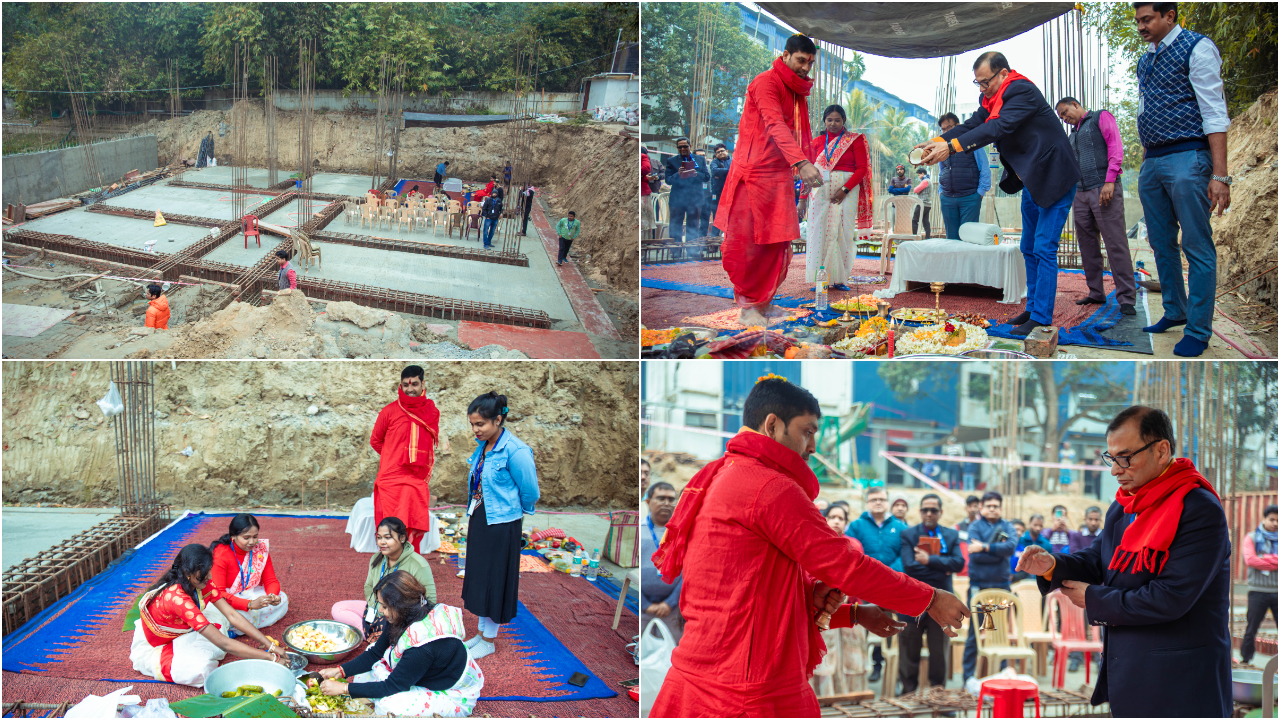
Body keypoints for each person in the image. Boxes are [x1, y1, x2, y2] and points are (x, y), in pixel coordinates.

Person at [650, 377, 970, 717]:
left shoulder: (722, 475)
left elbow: (747, 593)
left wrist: (850, 612)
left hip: (709, 670)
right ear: (773, 425)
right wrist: (929, 599)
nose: (813, 446)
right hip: (745, 689)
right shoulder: (769, 486)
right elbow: (845, 565)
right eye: (807, 431)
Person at [1017, 405, 1232, 717]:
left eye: (1125, 457)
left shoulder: (1198, 509)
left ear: (1161, 450)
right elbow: (1097, 559)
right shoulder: (1124, 506)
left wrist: (1094, 598)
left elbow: (1170, 598)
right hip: (1131, 673)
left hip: (1181, 681)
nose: (1115, 470)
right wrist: (1052, 565)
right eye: (1111, 458)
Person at [916, 51, 1081, 337]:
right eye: (977, 83)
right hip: (1032, 179)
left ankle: (1041, 317)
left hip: (1056, 176)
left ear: (1003, 73)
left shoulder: (1021, 90)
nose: (982, 89)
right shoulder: (990, 99)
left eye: (986, 82)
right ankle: (1033, 307)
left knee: (1044, 247)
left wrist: (952, 148)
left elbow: (997, 127)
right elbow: (973, 124)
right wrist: (938, 140)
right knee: (1028, 247)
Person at [1131, 2, 1232, 357]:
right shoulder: (1146, 59)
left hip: (1188, 156)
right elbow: (1147, 108)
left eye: (1147, 19)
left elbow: (1214, 111)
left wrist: (1220, 174)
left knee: (1196, 245)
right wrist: (1147, 161)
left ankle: (1199, 329)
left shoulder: (1196, 47)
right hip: (1153, 160)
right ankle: (1175, 310)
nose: (1141, 27)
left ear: (1169, 16)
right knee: (1161, 242)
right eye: (1138, 21)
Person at [715, 34, 827, 328]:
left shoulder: (794, 90)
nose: (806, 68)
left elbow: (792, 133)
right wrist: (801, 162)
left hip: (779, 174)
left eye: (810, 63)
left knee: (776, 242)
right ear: (785, 55)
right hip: (753, 174)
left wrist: (799, 163)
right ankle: (747, 307)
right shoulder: (765, 82)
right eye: (801, 60)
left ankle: (763, 302)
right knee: (748, 243)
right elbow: (775, 124)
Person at [319, 571, 482, 717]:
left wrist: (344, 689)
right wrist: (340, 671)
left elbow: (392, 686)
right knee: (365, 669)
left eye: (384, 606)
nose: (380, 610)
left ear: (402, 607)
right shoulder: (403, 615)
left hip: (450, 694)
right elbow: (375, 653)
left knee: (388, 706)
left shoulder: (422, 647)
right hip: (420, 675)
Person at [130, 544, 289, 686]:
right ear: (188, 573)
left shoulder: (200, 581)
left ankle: (221, 635)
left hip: (187, 628)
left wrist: (271, 646)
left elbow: (232, 615)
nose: (210, 578)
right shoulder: (177, 598)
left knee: (220, 620)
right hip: (160, 645)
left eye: (209, 572)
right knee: (203, 669)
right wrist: (271, 658)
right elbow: (224, 644)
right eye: (204, 575)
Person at [461, 391, 540, 660]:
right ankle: (481, 634)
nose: (475, 429)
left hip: (503, 524)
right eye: (472, 424)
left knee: (495, 580)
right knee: (481, 577)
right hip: (482, 518)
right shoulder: (483, 446)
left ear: (497, 420)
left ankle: (489, 640)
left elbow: (530, 491)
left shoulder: (516, 451)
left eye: (480, 424)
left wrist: (514, 514)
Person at [1055, 97, 1137, 315]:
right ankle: (1096, 292)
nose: (1064, 118)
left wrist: (1110, 180)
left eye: (1065, 112)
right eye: (1061, 116)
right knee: (1087, 244)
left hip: (1104, 188)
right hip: (1080, 193)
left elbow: (1115, 147)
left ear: (1075, 104)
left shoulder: (1101, 117)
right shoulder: (1072, 135)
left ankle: (1127, 297)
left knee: (1115, 243)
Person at [798, 105, 872, 290]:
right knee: (818, 233)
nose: (833, 123)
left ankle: (839, 279)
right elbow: (807, 173)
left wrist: (845, 189)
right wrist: (802, 199)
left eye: (837, 120)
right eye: (829, 120)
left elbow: (862, 168)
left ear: (844, 121)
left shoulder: (854, 140)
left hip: (847, 192)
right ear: (824, 121)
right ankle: (820, 280)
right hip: (819, 191)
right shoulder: (816, 142)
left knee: (843, 232)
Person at [371, 366, 443, 554]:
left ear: (423, 384)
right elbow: (375, 441)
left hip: (416, 481)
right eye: (405, 385)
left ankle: (408, 568)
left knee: (412, 528)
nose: (410, 389)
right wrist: (393, 457)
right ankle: (391, 568)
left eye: (415, 384)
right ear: (400, 385)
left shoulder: (431, 412)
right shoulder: (388, 412)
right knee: (392, 530)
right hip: (391, 480)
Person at [897, 494, 964, 694]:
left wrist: (930, 560)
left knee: (939, 655)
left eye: (933, 510)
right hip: (912, 602)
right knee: (908, 654)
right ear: (920, 512)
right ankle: (908, 697)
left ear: (940, 512)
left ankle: (938, 697)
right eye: (925, 509)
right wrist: (943, 569)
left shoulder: (951, 536)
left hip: (941, 604)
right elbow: (910, 567)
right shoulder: (908, 534)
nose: (929, 513)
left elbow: (959, 563)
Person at [333, 516, 437, 642]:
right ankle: (371, 635)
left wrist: (396, 614)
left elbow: (430, 601)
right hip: (376, 610)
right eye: (379, 537)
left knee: (402, 631)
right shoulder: (376, 559)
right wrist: (377, 608)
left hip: (401, 617)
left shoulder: (418, 564)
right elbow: (368, 586)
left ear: (402, 538)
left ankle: (377, 636)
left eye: (388, 537)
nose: (382, 542)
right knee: (338, 609)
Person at [844, 485, 908, 683]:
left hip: (891, 586)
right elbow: (851, 551)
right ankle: (868, 668)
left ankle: (889, 667)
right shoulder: (856, 526)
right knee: (863, 625)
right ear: (867, 503)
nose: (878, 502)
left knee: (888, 625)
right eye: (874, 500)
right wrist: (871, 573)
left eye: (881, 499)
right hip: (865, 586)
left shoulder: (900, 526)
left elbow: (905, 554)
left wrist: (888, 573)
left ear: (887, 502)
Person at [810, 503, 870, 698]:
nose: (836, 521)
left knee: (852, 661)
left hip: (850, 608)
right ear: (825, 519)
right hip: (823, 610)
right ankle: (823, 700)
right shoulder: (816, 543)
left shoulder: (854, 545)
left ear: (846, 523)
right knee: (825, 661)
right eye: (832, 517)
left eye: (841, 518)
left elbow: (859, 575)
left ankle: (851, 700)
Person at [962, 491, 1016, 683]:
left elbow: (1011, 547)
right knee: (974, 633)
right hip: (979, 586)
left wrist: (985, 547)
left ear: (1000, 508)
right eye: (989, 506)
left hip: (1001, 586)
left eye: (996, 506)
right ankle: (968, 678)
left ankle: (1000, 677)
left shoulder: (1007, 526)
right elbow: (975, 556)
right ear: (981, 507)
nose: (992, 509)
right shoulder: (974, 527)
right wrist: (998, 552)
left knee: (999, 632)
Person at [208, 514, 288, 630]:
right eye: (246, 538)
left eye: (255, 537)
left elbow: (271, 581)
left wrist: (272, 596)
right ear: (233, 536)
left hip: (250, 592)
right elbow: (218, 594)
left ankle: (237, 628)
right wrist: (249, 604)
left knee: (283, 598)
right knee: (218, 613)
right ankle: (238, 627)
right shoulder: (221, 554)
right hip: (226, 599)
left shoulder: (260, 549)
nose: (252, 542)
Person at [935, 112, 991, 241]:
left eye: (949, 127)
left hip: (970, 198)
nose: (946, 131)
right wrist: (941, 192)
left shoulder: (971, 142)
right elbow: (942, 170)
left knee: (968, 239)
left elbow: (984, 168)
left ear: (958, 125)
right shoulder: (942, 147)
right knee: (952, 240)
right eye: (943, 129)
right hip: (947, 199)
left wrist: (980, 193)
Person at [641, 482, 683, 642]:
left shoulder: (683, 533)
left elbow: (689, 572)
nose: (666, 503)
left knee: (670, 650)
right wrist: (645, 605)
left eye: (671, 499)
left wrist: (670, 603)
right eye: (661, 498)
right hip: (643, 607)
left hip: (673, 608)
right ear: (648, 501)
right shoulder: (640, 530)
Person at [1240, 504, 1277, 665]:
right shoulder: (1252, 537)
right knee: (1251, 628)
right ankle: (1245, 659)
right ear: (1264, 519)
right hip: (1257, 591)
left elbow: (1257, 560)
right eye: (1272, 519)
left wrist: (1263, 558)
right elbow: (1250, 560)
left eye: (1278, 520)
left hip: (1277, 591)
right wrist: (1275, 561)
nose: (1275, 523)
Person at [664, 137, 710, 242]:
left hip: (695, 199)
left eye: (685, 146)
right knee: (675, 226)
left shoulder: (700, 159)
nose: (682, 149)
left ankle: (691, 249)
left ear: (690, 146)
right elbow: (668, 180)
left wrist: (696, 174)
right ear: (677, 148)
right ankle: (676, 249)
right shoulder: (671, 161)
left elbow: (707, 177)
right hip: (677, 200)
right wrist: (678, 174)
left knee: (693, 226)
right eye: (680, 147)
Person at [707, 144, 732, 238]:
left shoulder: (733, 161)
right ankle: (714, 239)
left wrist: (722, 172)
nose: (720, 153)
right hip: (718, 193)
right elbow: (715, 171)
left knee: (731, 216)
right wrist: (729, 171)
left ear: (726, 151)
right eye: (718, 152)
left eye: (722, 151)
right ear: (716, 154)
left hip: (731, 193)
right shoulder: (714, 162)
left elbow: (737, 170)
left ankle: (729, 238)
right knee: (717, 216)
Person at [955, 494, 981, 578]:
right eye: (970, 506)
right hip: (962, 572)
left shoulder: (983, 527)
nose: (972, 509)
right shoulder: (958, 527)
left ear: (979, 508)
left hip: (979, 572)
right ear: (966, 508)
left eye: (975, 506)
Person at [641, 148, 658, 238]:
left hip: (644, 192)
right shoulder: (644, 158)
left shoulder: (643, 157)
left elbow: (646, 169)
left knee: (643, 220)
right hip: (644, 191)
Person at [911, 167, 932, 237]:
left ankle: (914, 236)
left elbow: (916, 190)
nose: (918, 177)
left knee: (914, 220)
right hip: (928, 205)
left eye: (919, 175)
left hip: (922, 204)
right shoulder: (929, 180)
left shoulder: (925, 181)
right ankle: (928, 237)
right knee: (925, 222)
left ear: (922, 173)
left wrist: (918, 191)